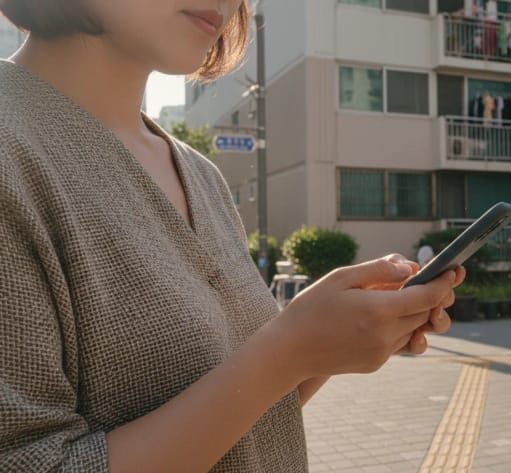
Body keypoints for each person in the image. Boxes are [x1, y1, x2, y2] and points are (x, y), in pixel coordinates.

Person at [0, 1, 465, 471]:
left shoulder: (200, 174)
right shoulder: (12, 153)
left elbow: (245, 427)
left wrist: (325, 343)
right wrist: (287, 352)